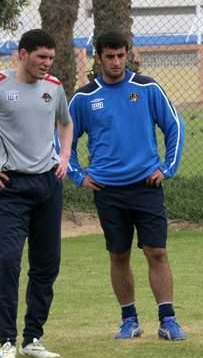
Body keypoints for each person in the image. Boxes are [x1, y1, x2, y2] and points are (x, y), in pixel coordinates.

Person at [67, 31, 186, 341]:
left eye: (121, 55)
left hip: (146, 185)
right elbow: (63, 138)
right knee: (118, 255)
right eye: (110, 56)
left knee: (157, 251)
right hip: (107, 190)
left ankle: (168, 320)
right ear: (98, 58)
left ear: (128, 55)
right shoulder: (83, 98)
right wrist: (78, 175)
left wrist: (167, 168)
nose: (116, 62)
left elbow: (175, 125)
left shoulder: (147, 88)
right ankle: (129, 320)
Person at [0, 29, 73, 358]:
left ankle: (33, 338)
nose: (47, 63)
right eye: (41, 57)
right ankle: (6, 342)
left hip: (48, 186)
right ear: (22, 54)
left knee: (47, 264)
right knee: (9, 260)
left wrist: (65, 156)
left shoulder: (54, 87)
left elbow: (66, 123)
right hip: (10, 188)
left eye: (51, 58)